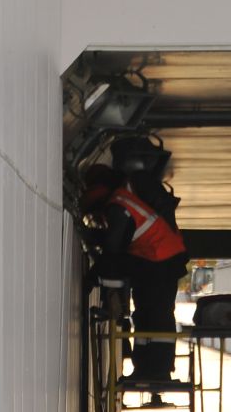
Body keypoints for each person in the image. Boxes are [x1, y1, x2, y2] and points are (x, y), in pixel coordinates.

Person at [81, 163, 189, 384]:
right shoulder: (121, 203)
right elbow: (120, 241)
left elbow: (113, 249)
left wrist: (91, 278)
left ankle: (159, 371)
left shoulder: (119, 206)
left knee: (158, 316)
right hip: (152, 260)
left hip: (161, 260)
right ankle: (145, 369)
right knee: (145, 315)